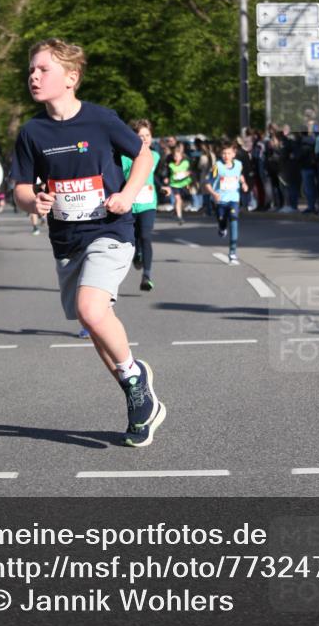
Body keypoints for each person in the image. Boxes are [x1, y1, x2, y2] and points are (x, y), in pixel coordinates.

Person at [12, 38, 166, 448]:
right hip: (67, 240)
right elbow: (20, 189)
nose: (34, 76)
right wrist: (35, 200)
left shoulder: (100, 120)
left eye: (43, 69)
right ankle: (138, 393)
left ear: (71, 78)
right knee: (93, 323)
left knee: (90, 308)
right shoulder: (32, 132)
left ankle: (134, 378)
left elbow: (145, 156)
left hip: (111, 231)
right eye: (32, 69)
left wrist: (129, 194)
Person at [122, 119, 160, 293]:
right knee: (133, 236)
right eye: (140, 136)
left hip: (147, 203)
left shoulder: (156, 156)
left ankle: (147, 276)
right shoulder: (124, 158)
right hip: (129, 203)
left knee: (145, 235)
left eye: (147, 135)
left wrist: (164, 187)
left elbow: (156, 176)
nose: (144, 138)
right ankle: (137, 253)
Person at [206, 141, 248, 265]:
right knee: (222, 221)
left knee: (234, 219)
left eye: (229, 153)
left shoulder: (239, 165)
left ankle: (232, 253)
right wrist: (214, 194)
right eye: (224, 153)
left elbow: (239, 176)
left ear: (234, 154)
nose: (226, 156)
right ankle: (221, 227)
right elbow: (208, 183)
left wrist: (244, 183)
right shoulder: (217, 166)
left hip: (234, 199)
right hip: (220, 200)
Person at [163, 140, 192, 226]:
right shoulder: (171, 164)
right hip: (174, 184)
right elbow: (168, 172)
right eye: (174, 156)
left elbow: (190, 171)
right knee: (178, 199)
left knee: (181, 200)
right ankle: (180, 217)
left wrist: (187, 173)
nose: (176, 157)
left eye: (177, 156)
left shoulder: (186, 162)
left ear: (181, 155)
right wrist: (166, 178)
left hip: (184, 184)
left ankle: (176, 210)